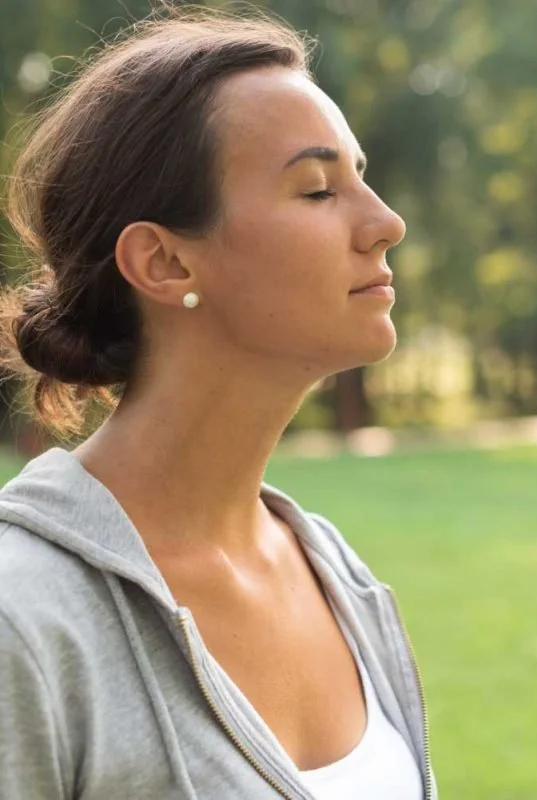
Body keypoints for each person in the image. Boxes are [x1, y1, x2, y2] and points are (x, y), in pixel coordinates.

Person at [0, 8, 434, 800]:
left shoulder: (335, 572)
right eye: (316, 189)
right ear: (163, 262)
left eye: (362, 177)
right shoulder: (22, 619)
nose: (385, 224)